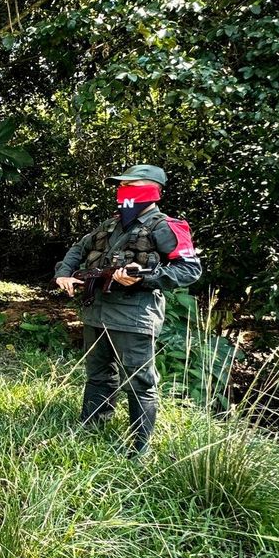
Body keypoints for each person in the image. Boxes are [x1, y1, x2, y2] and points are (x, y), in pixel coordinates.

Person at [54, 165, 201, 457]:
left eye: (131, 186)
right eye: (122, 186)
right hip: (97, 311)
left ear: (151, 189)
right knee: (98, 374)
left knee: (139, 383)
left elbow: (189, 269)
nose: (123, 192)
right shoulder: (111, 224)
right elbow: (78, 249)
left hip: (134, 316)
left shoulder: (164, 226)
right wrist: (64, 273)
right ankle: (91, 429)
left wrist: (144, 278)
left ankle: (139, 449)